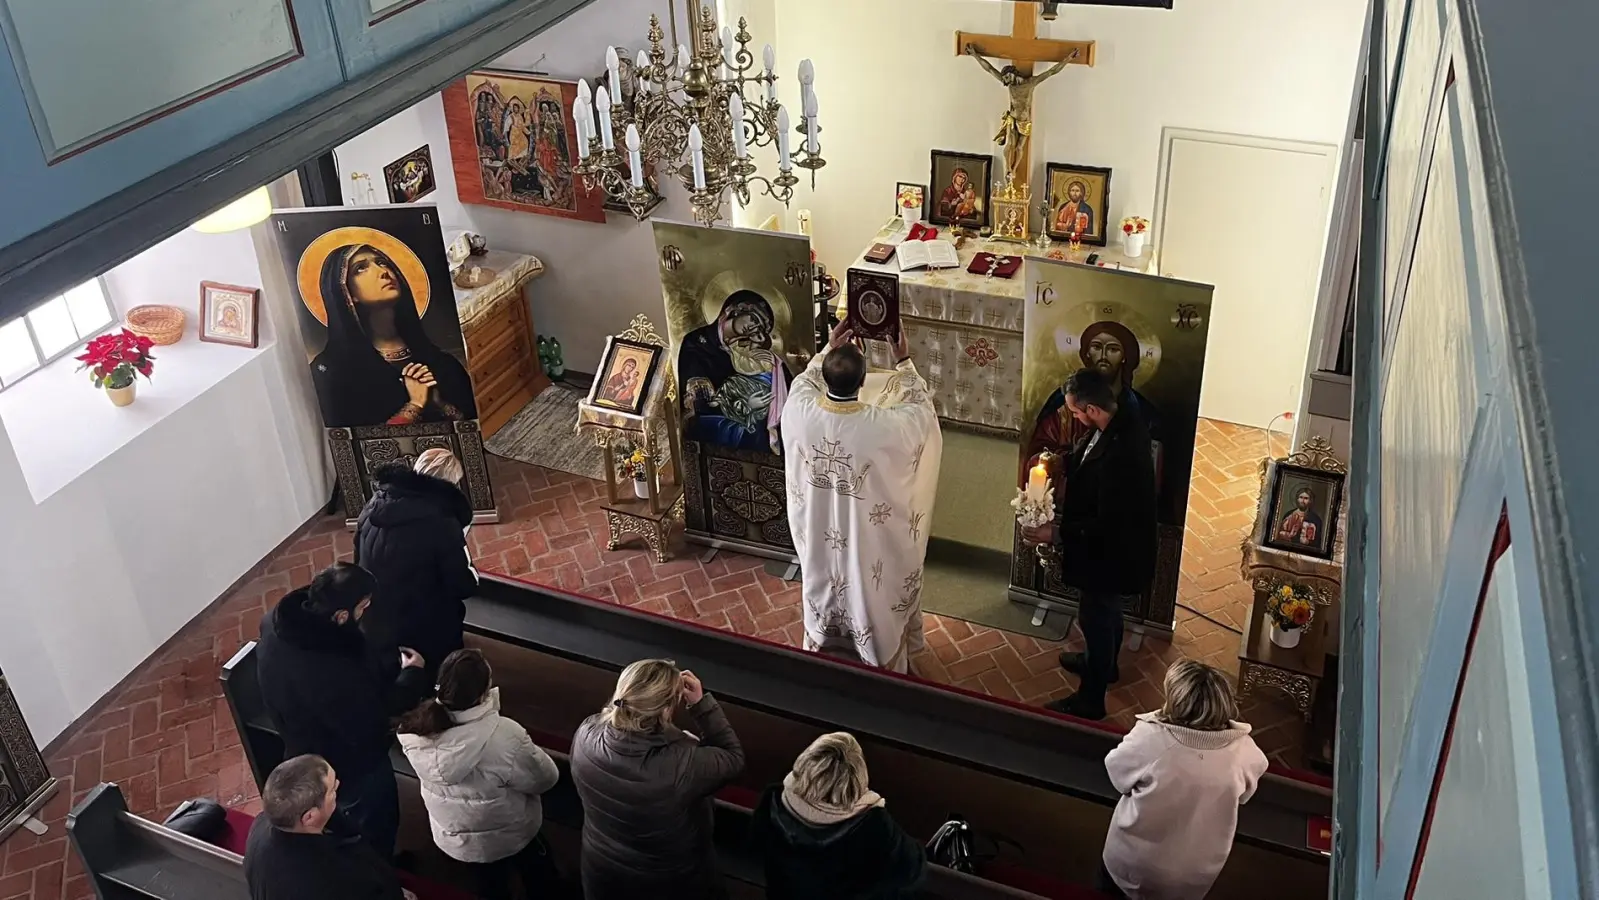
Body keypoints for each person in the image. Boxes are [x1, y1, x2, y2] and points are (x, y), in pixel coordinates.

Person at [782, 321, 942, 673]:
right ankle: (874, 649)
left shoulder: (800, 408)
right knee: (869, 585)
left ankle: (826, 643)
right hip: (865, 537)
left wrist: (827, 347)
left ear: (827, 377)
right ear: (863, 381)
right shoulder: (880, 426)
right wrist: (904, 361)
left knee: (824, 577)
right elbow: (920, 412)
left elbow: (805, 381)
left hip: (821, 529)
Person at [255, 563, 431, 856]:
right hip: (350, 761)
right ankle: (380, 863)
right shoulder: (331, 670)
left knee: (340, 817)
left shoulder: (274, 623)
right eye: (363, 607)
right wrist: (412, 676)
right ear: (340, 616)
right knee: (374, 817)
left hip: (299, 739)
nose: (366, 613)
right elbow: (373, 721)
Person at [1021, 368, 1156, 719]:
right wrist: (1058, 462)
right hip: (1108, 549)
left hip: (1112, 553)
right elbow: (1087, 453)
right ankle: (1105, 665)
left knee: (1096, 616)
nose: (1075, 418)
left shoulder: (1123, 453)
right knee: (1106, 611)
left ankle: (1091, 699)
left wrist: (1057, 533)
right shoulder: (1117, 419)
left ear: (1093, 409)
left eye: (1077, 412)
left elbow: (1109, 523)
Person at [570, 659, 745, 900]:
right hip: (671, 879)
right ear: (665, 710)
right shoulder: (680, 765)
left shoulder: (586, 734)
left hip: (603, 868)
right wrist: (700, 705)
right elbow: (733, 758)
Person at [397, 649, 563, 899]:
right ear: (485, 691)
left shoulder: (415, 729)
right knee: (540, 878)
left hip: (456, 838)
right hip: (511, 834)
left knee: (490, 886)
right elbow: (546, 778)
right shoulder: (504, 735)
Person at [1099, 660, 1268, 899]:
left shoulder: (1151, 737)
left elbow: (1117, 774)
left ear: (1176, 702)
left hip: (1134, 863)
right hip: (1193, 874)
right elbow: (1245, 795)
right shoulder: (1244, 750)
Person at [304, 235, 478, 428]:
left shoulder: (442, 362)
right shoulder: (331, 373)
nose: (383, 272)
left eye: (382, 263)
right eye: (360, 268)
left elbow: (471, 431)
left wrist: (437, 402)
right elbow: (349, 447)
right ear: (345, 291)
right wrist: (415, 405)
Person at [749, 732, 926, 899]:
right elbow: (912, 870)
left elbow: (755, 844)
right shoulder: (875, 825)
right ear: (857, 778)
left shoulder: (773, 801)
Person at [355, 448, 477, 675]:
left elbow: (359, 557)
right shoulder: (442, 523)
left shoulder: (374, 503)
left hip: (374, 617)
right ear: (450, 484)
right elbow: (463, 585)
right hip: (421, 628)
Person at [244, 754, 415, 900]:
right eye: (332, 789)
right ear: (310, 816)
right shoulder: (336, 876)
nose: (338, 784)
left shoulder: (261, 825)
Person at [677, 291, 794, 453]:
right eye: (753, 319)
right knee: (756, 432)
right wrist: (746, 406)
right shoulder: (697, 343)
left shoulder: (742, 350)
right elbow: (699, 403)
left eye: (759, 328)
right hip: (710, 419)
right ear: (733, 310)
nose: (753, 327)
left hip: (740, 415)